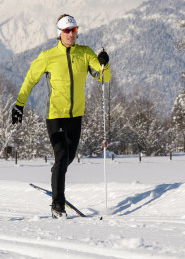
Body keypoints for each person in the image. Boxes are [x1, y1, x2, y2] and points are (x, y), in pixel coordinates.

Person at [12, 14, 111, 218]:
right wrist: (19, 104)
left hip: (76, 116)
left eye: (74, 30)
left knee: (68, 158)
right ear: (59, 33)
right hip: (55, 115)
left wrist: (104, 63)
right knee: (62, 155)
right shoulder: (48, 56)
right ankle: (58, 206)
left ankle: (56, 176)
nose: (71, 34)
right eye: (67, 31)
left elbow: (103, 77)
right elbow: (30, 80)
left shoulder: (85, 53)